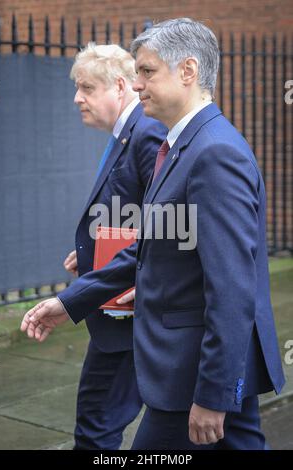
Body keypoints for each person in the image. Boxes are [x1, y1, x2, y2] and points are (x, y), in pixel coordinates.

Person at [21, 19, 285, 450]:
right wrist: (70, 301)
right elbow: (146, 248)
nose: (136, 84)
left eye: (147, 72)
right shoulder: (183, 146)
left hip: (194, 369)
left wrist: (213, 395)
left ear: (188, 71)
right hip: (187, 364)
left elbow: (232, 287)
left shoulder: (213, 153)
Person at [45, 43, 166, 450]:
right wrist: (97, 252)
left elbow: (165, 224)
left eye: (86, 87)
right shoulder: (128, 132)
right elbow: (138, 214)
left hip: (130, 316)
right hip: (120, 307)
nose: (77, 98)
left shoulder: (147, 134)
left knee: (96, 423)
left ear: (119, 86)